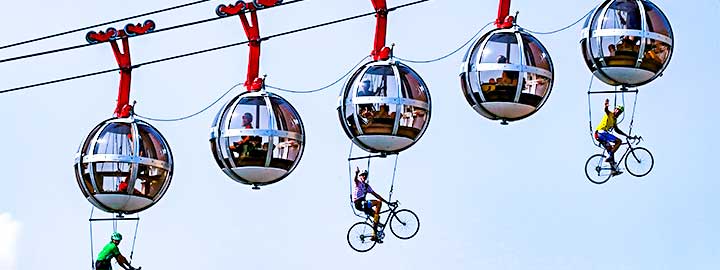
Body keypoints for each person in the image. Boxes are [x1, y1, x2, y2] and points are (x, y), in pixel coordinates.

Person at [352, 167, 396, 242]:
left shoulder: (366, 186)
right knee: (378, 203)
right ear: (360, 176)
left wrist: (387, 202)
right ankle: (376, 221)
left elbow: (376, 195)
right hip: (359, 203)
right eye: (362, 175)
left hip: (364, 205)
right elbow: (355, 179)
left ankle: (374, 236)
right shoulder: (358, 183)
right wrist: (356, 173)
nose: (364, 176)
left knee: (377, 218)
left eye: (365, 175)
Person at [594, 98, 629, 175]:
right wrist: (606, 105)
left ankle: (613, 171)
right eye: (617, 110)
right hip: (601, 132)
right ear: (615, 109)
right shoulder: (610, 114)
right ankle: (609, 157)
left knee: (611, 150)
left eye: (620, 112)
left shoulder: (614, 120)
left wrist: (627, 135)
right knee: (619, 141)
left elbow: (617, 130)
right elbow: (606, 110)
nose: (618, 112)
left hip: (599, 136)